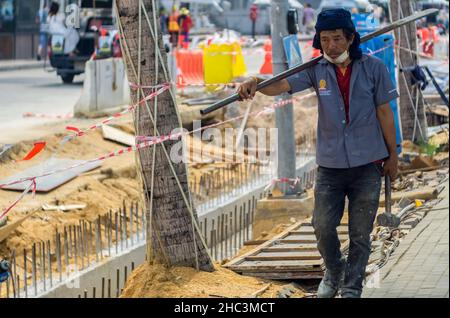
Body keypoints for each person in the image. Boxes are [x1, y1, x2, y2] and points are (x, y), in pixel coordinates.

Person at [237, 8, 399, 298]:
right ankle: (334, 270)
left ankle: (352, 286)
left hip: (369, 163)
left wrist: (393, 156)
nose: (331, 46)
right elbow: (283, 85)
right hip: (331, 165)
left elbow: (385, 112)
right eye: (325, 39)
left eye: (337, 38)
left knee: (361, 234)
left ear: (350, 38)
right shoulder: (316, 70)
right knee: (322, 226)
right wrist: (256, 82)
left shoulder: (374, 68)